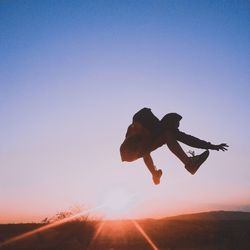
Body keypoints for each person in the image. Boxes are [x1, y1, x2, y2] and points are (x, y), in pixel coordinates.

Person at [120, 108, 228, 185]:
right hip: (128, 148)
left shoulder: (159, 133)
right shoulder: (157, 126)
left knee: (161, 140)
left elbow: (188, 139)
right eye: (176, 126)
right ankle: (189, 163)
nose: (177, 129)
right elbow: (187, 139)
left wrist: (212, 146)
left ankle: (158, 174)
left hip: (130, 151)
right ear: (170, 123)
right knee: (166, 136)